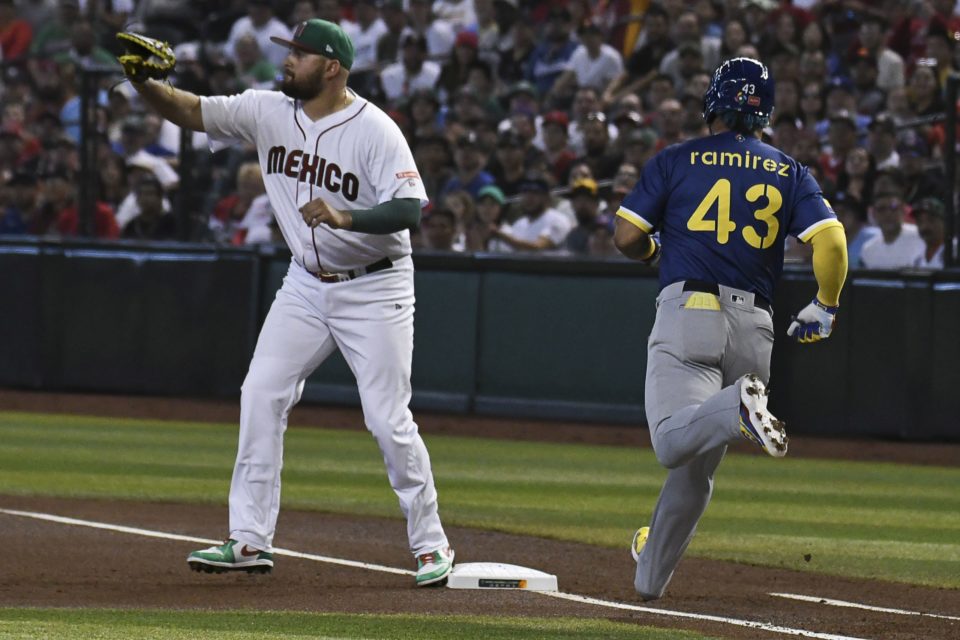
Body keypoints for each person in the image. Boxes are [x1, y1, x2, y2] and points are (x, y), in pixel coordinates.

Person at [120, 18, 454, 586]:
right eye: (288, 51)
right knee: (261, 393)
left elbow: (408, 211)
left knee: (386, 419)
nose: (287, 61)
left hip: (375, 287)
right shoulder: (267, 109)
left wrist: (345, 215)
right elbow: (189, 109)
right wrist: (143, 83)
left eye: (298, 54)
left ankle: (431, 546)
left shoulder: (376, 129)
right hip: (304, 283)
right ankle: (248, 541)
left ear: (331, 67)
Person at [613, 58, 848, 601]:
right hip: (755, 328)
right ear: (766, 111)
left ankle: (740, 406)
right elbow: (831, 242)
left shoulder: (675, 159)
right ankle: (650, 576)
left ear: (712, 103)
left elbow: (627, 236)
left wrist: (653, 252)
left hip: (690, 309)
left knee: (673, 442)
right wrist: (826, 305)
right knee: (696, 470)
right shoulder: (790, 170)